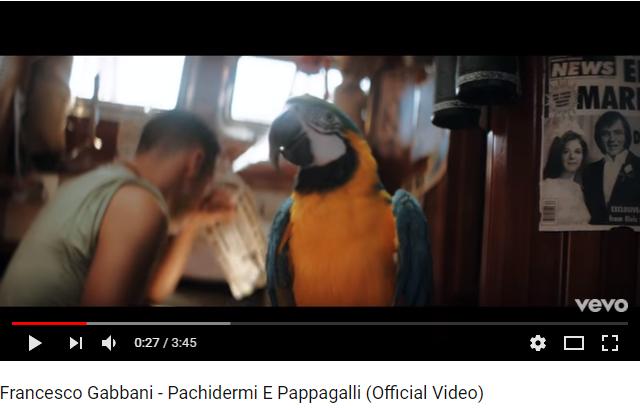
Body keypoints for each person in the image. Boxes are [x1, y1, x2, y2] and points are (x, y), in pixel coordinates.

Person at [0, 111, 235, 306]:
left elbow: (154, 292)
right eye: (208, 182)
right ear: (195, 162)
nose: (204, 194)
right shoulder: (139, 205)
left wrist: (192, 223)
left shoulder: (101, 182)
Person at [582, 111, 640, 225]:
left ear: (627, 135)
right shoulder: (589, 171)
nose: (612, 139)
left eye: (617, 132)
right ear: (599, 138)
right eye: (605, 134)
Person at [540, 131, 591, 225]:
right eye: (566, 152)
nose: (572, 156)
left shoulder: (577, 188)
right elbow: (547, 224)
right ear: (558, 155)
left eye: (577, 152)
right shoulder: (549, 186)